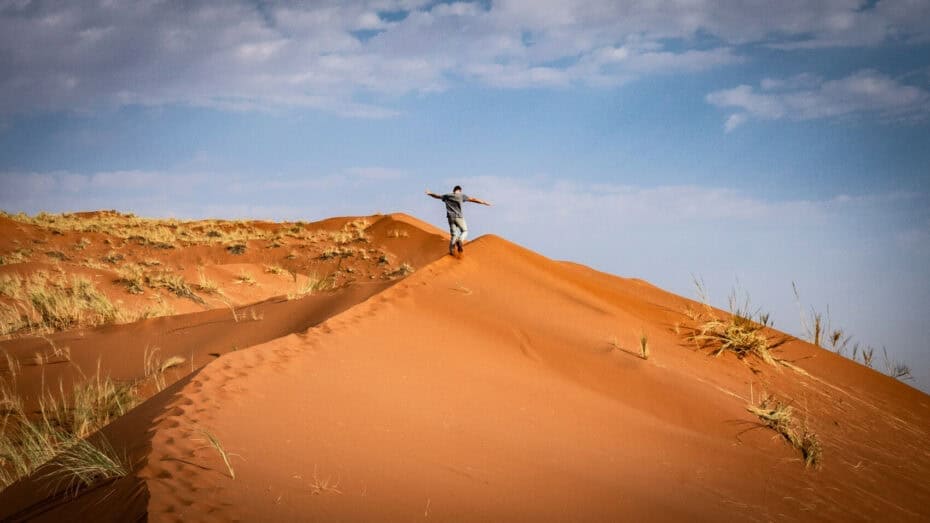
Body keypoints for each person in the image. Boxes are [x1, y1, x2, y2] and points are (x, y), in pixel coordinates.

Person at [425, 185, 491, 256]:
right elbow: (473, 199)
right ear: (460, 190)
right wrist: (483, 202)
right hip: (459, 217)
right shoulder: (461, 196)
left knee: (454, 235)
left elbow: (437, 196)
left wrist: (430, 193)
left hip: (450, 218)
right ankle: (460, 240)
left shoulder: (447, 196)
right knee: (465, 231)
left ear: (454, 190)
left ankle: (452, 251)